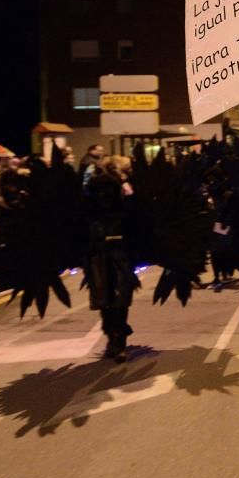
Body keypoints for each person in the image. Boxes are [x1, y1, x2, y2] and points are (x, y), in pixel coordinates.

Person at [84, 155, 138, 362]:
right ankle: (114, 336)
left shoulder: (120, 195)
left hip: (116, 252)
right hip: (101, 253)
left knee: (117, 298)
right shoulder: (98, 189)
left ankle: (117, 338)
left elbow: (133, 215)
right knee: (106, 299)